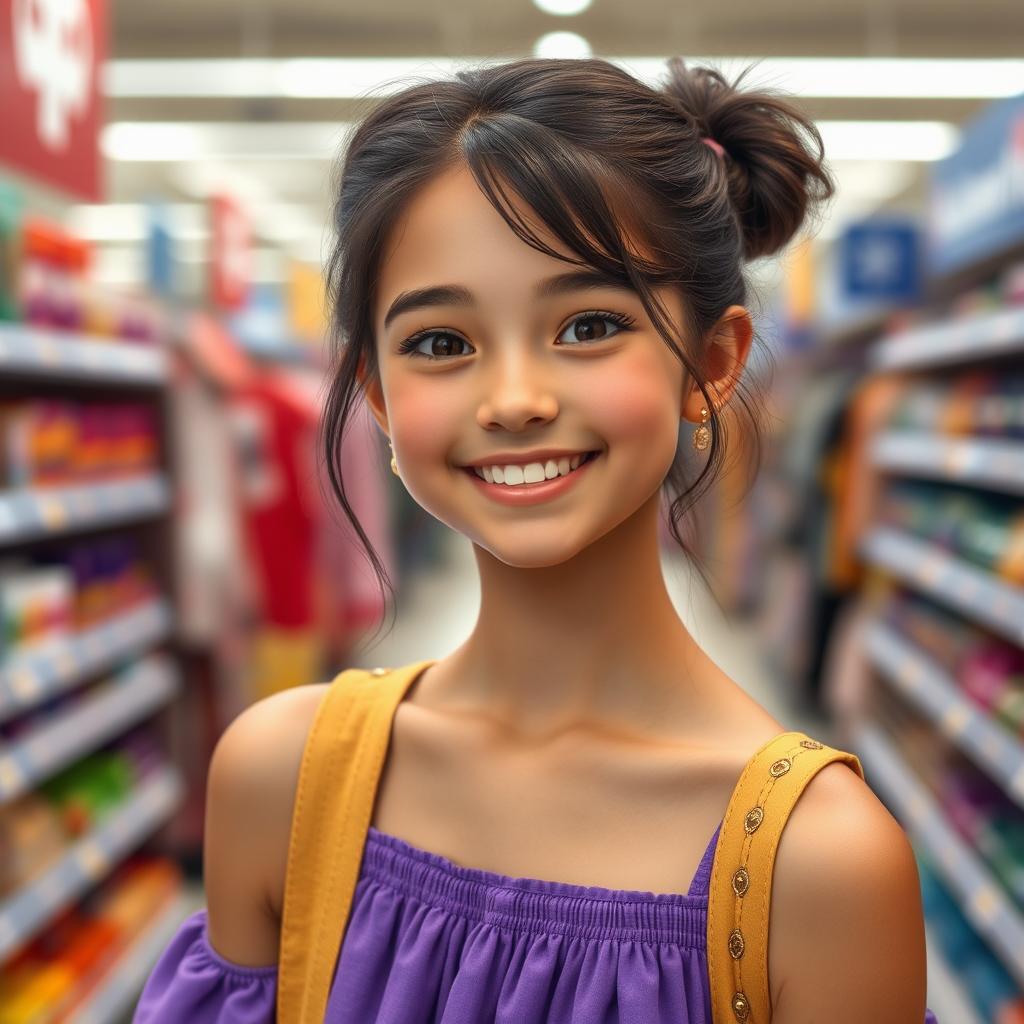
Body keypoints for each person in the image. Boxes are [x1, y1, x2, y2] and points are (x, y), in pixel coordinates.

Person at [135, 58, 933, 1023]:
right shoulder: (280, 778)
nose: (514, 400)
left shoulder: (821, 863)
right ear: (378, 397)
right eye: (441, 343)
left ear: (710, 362)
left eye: (589, 325)